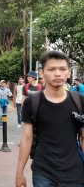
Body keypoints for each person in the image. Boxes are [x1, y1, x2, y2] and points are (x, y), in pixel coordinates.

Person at [15, 51, 84, 187]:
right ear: (42, 73)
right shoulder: (32, 102)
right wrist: (19, 171)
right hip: (43, 172)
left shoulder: (79, 101)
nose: (58, 73)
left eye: (62, 69)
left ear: (69, 73)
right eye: (52, 69)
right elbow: (27, 138)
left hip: (74, 172)